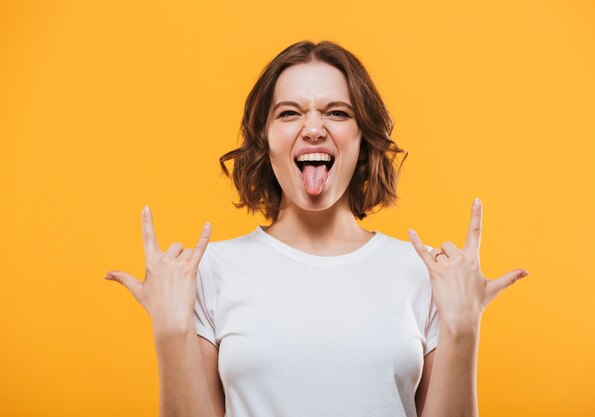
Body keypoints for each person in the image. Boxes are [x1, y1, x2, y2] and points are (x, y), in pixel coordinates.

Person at [104, 40, 529, 417]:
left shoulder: (426, 273)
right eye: (289, 113)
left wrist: (463, 326)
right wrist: (169, 328)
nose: (312, 129)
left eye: (336, 112)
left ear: (361, 137)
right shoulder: (210, 270)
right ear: (265, 139)